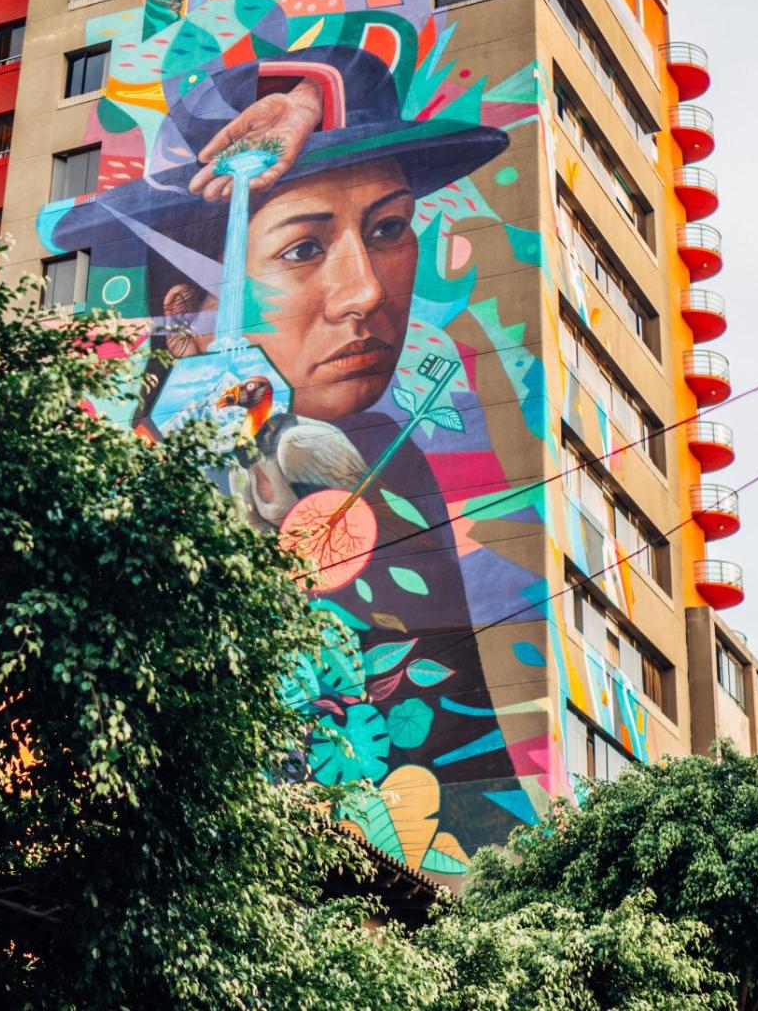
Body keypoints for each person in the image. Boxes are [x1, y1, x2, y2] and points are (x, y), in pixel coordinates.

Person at [47, 44, 528, 852]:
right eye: (304, 249)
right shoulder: (120, 500)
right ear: (188, 314)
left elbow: (467, 783)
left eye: (389, 228)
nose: (366, 291)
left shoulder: (385, 459)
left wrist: (309, 98)